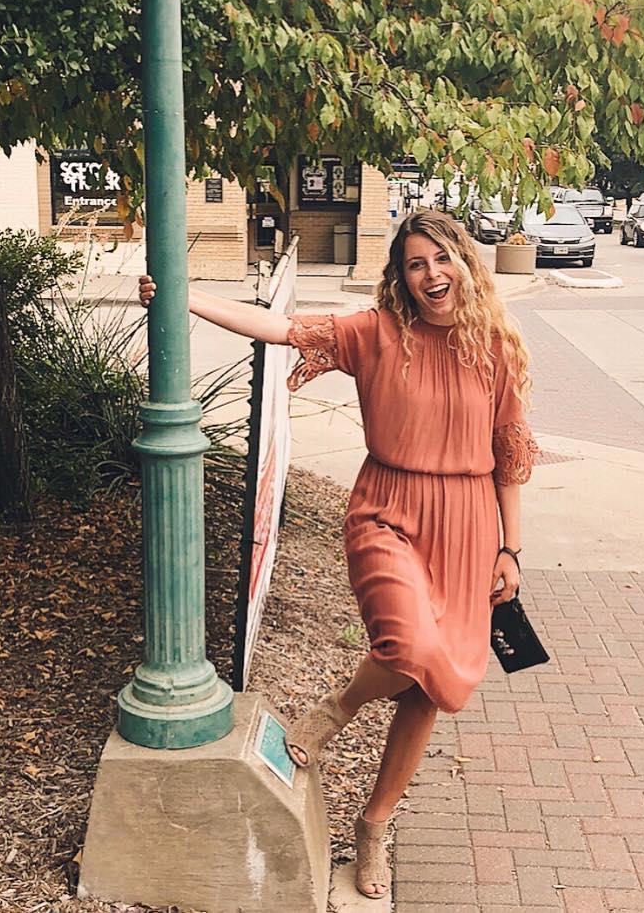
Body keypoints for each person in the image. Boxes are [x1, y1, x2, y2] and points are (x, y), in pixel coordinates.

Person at [138, 208, 536, 900]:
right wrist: (182, 296)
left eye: (441, 259)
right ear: (401, 277)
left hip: (470, 525)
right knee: (407, 645)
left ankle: (375, 825)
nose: (431, 275)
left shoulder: (498, 348)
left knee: (431, 684)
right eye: (416, 264)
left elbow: (508, 455)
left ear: (465, 263)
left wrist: (512, 548)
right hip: (388, 510)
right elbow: (280, 329)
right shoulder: (377, 334)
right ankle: (336, 710)